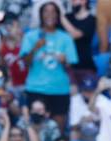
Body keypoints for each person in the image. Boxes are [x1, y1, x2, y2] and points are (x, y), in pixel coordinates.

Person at [20, 2, 78, 131]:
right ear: (40, 15)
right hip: (36, 88)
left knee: (57, 131)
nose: (49, 15)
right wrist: (35, 48)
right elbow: (25, 63)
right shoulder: (30, 36)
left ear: (58, 15)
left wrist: (64, 60)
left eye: (53, 12)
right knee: (35, 128)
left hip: (59, 89)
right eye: (46, 11)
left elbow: (71, 65)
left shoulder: (65, 38)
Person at [61, 0, 97, 83]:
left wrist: (61, 17)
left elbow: (76, 34)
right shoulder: (67, 17)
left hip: (85, 65)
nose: (72, 2)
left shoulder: (92, 20)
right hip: (68, 65)